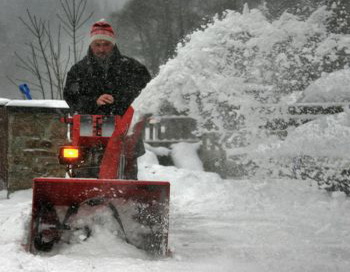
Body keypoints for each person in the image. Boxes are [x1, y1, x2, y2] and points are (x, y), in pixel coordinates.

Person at [63, 20, 151, 179]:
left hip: (125, 126)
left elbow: (147, 92)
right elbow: (70, 96)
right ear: (91, 45)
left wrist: (118, 99)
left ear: (113, 45)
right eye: (97, 44)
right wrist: (94, 101)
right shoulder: (78, 71)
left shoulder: (133, 68)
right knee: (82, 165)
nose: (101, 49)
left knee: (128, 167)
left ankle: (128, 195)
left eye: (106, 44)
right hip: (87, 127)